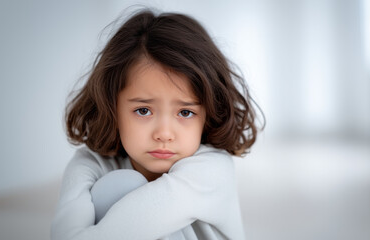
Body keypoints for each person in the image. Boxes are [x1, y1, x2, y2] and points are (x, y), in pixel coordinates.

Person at [51, 9, 263, 240]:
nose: (164, 134)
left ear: (209, 114)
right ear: (111, 107)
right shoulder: (91, 162)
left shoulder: (211, 169)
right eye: (143, 111)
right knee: (118, 185)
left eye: (185, 112)